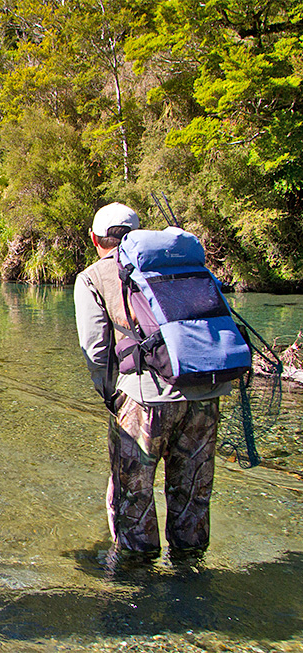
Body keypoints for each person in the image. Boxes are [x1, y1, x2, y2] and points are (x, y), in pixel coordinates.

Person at [73, 202, 232, 562]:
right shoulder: (178, 265)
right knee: (193, 492)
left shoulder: (94, 276)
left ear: (96, 239)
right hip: (204, 392)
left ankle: (135, 583)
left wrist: (110, 395)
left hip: (144, 401)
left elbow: (96, 349)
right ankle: (190, 571)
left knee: (135, 497)